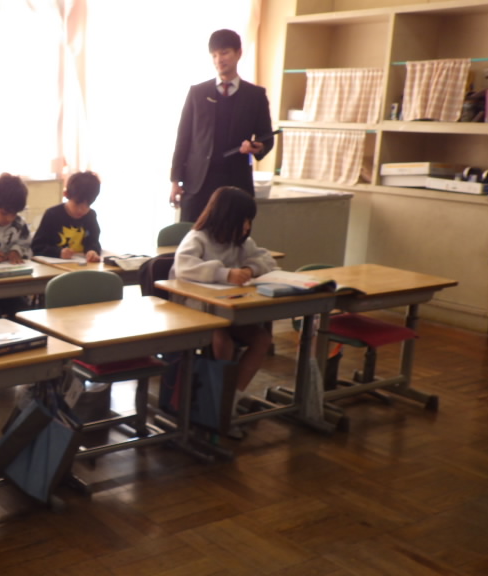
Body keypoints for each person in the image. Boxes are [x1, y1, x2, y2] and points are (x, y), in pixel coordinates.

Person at [169, 186, 277, 432]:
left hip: (228, 311)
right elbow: (185, 268)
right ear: (227, 217)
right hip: (196, 313)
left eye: (249, 221)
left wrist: (249, 269)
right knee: (222, 342)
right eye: (244, 220)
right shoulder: (198, 238)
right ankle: (215, 399)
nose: (247, 226)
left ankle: (230, 397)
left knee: (262, 339)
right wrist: (224, 273)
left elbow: (267, 259)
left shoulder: (241, 242)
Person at [169, 29, 274, 223]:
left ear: (238, 53)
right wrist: (175, 180)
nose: (219, 60)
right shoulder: (197, 93)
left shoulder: (255, 95)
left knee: (231, 237)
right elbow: (183, 138)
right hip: (198, 184)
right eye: (214, 55)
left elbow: (266, 137)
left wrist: (257, 147)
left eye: (224, 53)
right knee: (190, 237)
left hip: (235, 184)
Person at [0, 173, 33, 319]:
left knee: (23, 313)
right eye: (5, 213)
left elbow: (29, 248)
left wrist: (17, 251)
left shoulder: (19, 224)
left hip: (11, 286)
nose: (10, 218)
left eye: (14, 214)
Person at [31, 171, 102, 263]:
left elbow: (94, 241)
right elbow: (37, 246)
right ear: (66, 194)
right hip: (54, 266)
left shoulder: (90, 216)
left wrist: (92, 251)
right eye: (77, 204)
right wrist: (58, 252)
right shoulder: (52, 214)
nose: (82, 210)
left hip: (81, 265)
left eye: (88, 205)